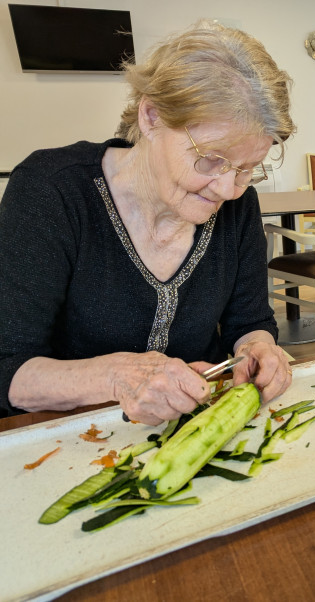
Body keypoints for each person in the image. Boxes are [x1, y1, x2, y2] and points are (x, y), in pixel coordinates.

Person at [0, 21, 296, 424]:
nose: (229, 188)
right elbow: (8, 366)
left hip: (194, 431)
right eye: (212, 159)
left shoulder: (239, 206)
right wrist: (116, 377)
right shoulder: (51, 191)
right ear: (152, 116)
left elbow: (250, 321)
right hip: (66, 440)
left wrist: (258, 348)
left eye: (248, 168)